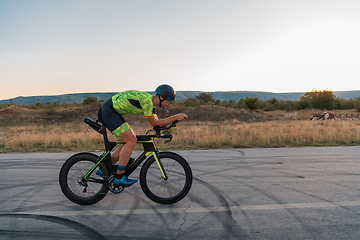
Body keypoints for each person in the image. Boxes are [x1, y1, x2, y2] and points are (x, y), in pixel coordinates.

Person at [96, 84, 187, 186]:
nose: (170, 103)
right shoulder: (147, 101)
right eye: (170, 99)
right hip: (109, 111)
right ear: (162, 97)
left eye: (172, 101)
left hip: (110, 111)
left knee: (127, 143)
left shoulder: (151, 105)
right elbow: (155, 123)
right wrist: (175, 117)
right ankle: (119, 177)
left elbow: (157, 122)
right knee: (131, 140)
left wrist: (170, 123)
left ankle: (104, 168)